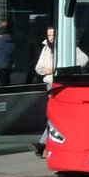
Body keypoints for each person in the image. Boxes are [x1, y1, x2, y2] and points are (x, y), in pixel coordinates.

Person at [31, 27, 56, 158]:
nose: (50, 37)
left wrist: (56, 69)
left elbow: (83, 58)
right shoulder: (46, 48)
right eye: (49, 35)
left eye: (52, 35)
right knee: (53, 117)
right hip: (50, 84)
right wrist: (44, 70)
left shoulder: (65, 46)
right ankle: (42, 145)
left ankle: (42, 144)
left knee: (54, 117)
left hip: (59, 85)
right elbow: (38, 67)